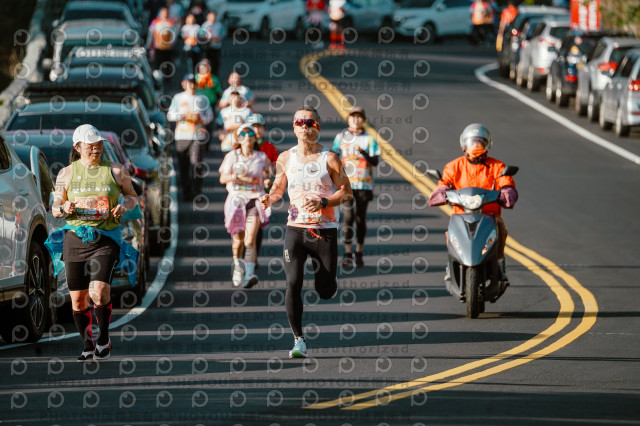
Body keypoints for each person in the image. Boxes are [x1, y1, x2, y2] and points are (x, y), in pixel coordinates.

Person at [259, 107, 353, 359]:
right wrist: (270, 198)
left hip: (324, 231)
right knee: (292, 282)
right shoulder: (285, 158)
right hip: (296, 229)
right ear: (294, 127)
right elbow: (278, 188)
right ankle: (298, 339)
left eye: (309, 122)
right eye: (299, 121)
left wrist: (324, 202)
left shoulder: (330, 158)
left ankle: (330, 281)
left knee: (325, 291)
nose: (304, 126)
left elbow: (346, 193)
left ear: (317, 127)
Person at [46, 124, 139, 361]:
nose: (96, 149)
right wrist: (64, 207)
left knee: (98, 292)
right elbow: (55, 207)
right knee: (78, 299)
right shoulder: (66, 173)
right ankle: (87, 344)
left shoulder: (116, 170)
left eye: (98, 145)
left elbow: (132, 197)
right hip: (75, 238)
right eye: (90, 145)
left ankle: (103, 339)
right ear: (78, 147)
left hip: (105, 238)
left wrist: (124, 206)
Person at [427, 123, 518, 284]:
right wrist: (441, 192)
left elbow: (506, 181)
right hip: (461, 214)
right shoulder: (454, 166)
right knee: (450, 233)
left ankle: (499, 263)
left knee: (501, 229)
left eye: (480, 142)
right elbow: (444, 182)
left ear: (487, 144)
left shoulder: (497, 166)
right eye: (472, 142)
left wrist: (507, 192)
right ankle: (451, 264)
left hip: (489, 215)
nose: (475, 146)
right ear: (463, 144)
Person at [219, 124, 273, 288]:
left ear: (255, 138)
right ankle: (237, 268)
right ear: (238, 138)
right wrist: (238, 176)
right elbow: (222, 178)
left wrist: (267, 181)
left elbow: (268, 173)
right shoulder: (232, 156)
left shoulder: (261, 157)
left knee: (250, 240)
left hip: (254, 200)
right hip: (236, 201)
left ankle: (249, 274)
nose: (247, 137)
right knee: (238, 240)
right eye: (243, 134)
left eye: (250, 134)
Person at [331, 106, 380, 269]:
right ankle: (347, 252)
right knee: (348, 217)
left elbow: (375, 161)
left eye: (359, 117)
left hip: (364, 184)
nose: (356, 120)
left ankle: (359, 251)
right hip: (346, 185)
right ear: (348, 120)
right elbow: (333, 156)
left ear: (363, 120)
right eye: (353, 117)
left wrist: (363, 152)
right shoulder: (341, 137)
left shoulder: (369, 139)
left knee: (360, 218)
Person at [167, 73, 214, 201]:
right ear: (184, 84)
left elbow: (209, 115)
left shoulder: (202, 98)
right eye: (189, 83)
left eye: (194, 83)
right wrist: (183, 116)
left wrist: (201, 118)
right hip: (182, 135)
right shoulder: (178, 98)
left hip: (198, 135)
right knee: (184, 165)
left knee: (196, 163)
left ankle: (196, 191)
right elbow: (170, 115)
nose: (192, 86)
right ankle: (186, 191)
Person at [246, 113, 279, 267]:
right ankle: (241, 256)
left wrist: (270, 173)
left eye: (259, 127)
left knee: (257, 226)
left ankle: (253, 257)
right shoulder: (240, 148)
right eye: (253, 127)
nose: (257, 131)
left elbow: (277, 167)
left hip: (260, 192)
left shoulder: (269, 147)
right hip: (242, 192)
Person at [147, 7, 177, 84]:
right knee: (157, 64)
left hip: (168, 47)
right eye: (163, 12)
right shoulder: (155, 22)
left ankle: (167, 80)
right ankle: (157, 80)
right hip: (158, 46)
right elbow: (151, 34)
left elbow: (174, 34)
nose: (164, 14)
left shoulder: (171, 22)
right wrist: (149, 44)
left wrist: (172, 43)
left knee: (167, 63)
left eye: (166, 12)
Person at [201, 10, 225, 77]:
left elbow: (223, 34)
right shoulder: (205, 25)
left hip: (217, 47)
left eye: (214, 16)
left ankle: (215, 77)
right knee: (207, 62)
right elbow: (202, 36)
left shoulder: (219, 25)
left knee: (216, 62)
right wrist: (212, 38)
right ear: (208, 16)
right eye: (211, 16)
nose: (213, 17)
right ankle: (207, 76)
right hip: (208, 48)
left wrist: (219, 39)